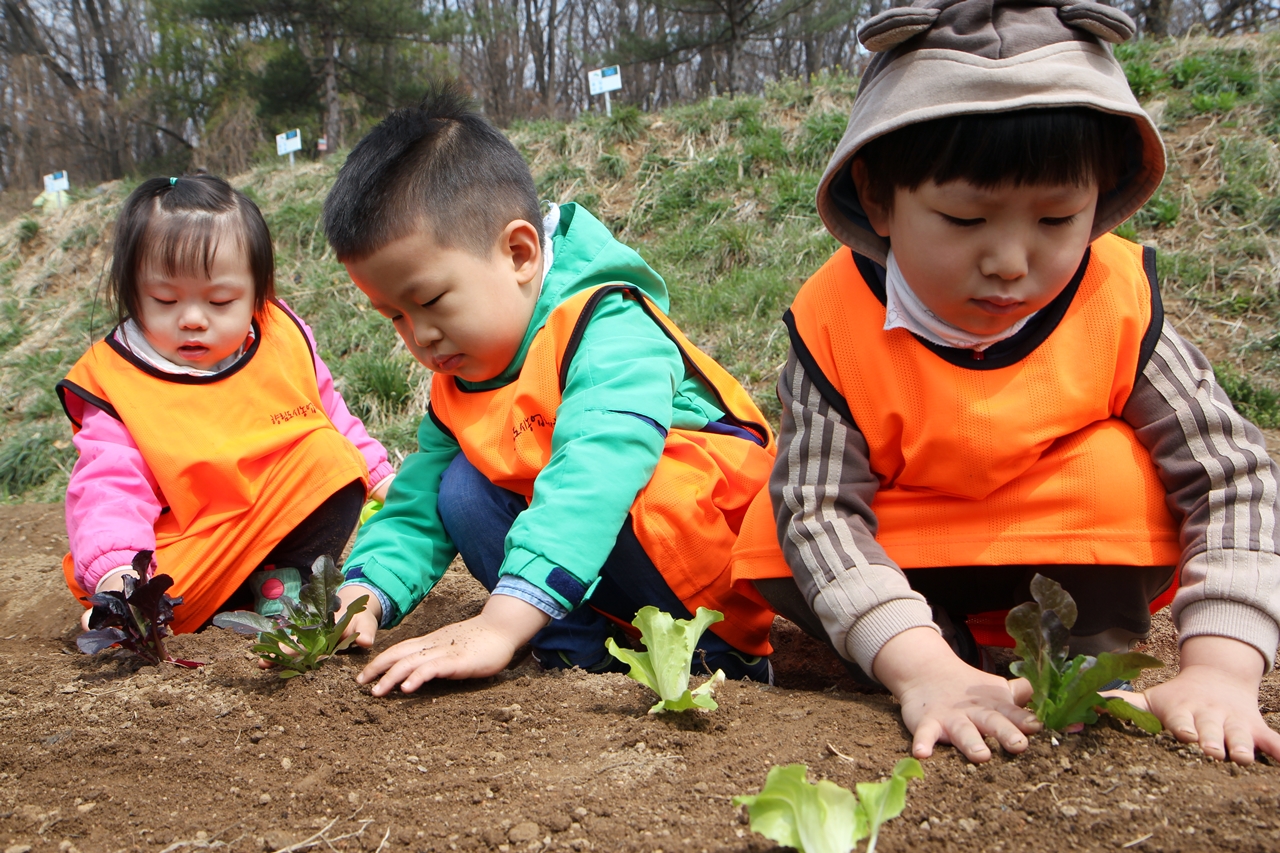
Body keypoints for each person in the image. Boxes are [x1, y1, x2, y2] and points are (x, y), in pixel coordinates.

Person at [731, 0, 1280, 766]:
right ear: (879, 196)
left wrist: (1223, 667)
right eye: (963, 220)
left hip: (1063, 537)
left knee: (1127, 473)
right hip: (909, 545)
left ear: (1102, 196)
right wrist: (919, 664)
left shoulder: (1116, 297)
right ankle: (942, 649)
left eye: (1058, 219)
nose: (1011, 263)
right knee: (776, 525)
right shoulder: (833, 320)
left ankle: (1074, 654)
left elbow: (1230, 477)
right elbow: (821, 512)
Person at [322, 84, 779, 696]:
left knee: (633, 480)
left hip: (708, 560)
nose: (418, 335)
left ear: (519, 252)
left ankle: (723, 655)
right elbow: (419, 502)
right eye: (394, 317)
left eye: (429, 301)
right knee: (461, 485)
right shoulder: (458, 376)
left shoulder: (606, 320)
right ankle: (578, 661)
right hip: (598, 558)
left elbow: (599, 465)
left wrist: (500, 622)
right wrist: (367, 590)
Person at [58, 174, 395, 632]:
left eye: (220, 301)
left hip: (273, 525)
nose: (193, 319)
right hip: (190, 553)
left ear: (257, 294)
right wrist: (120, 576)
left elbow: (329, 412)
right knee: (141, 606)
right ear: (132, 293)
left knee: (330, 453)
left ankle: (283, 587)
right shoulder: (117, 380)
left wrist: (381, 479)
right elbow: (108, 490)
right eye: (165, 299)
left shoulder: (281, 337)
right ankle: (143, 614)